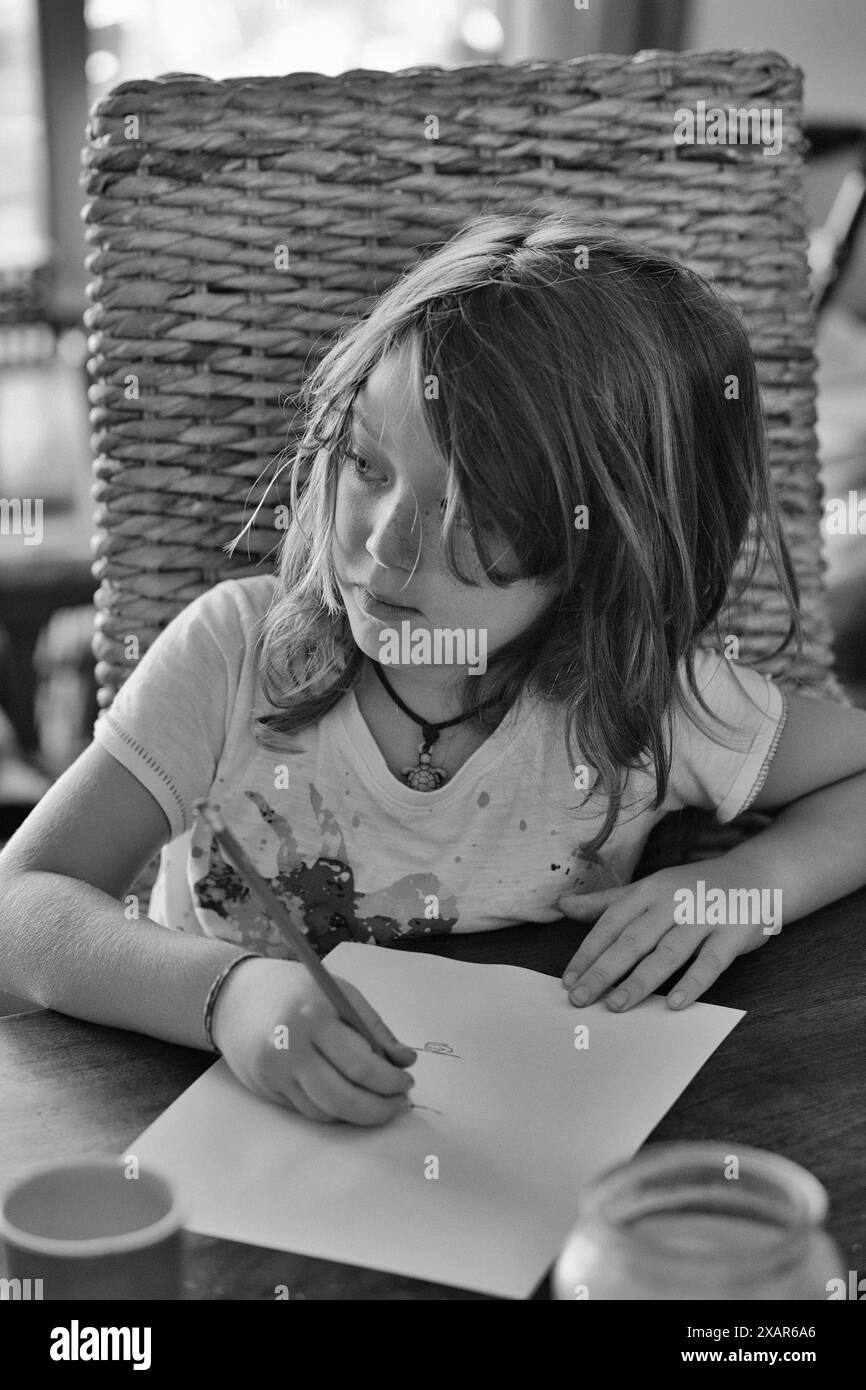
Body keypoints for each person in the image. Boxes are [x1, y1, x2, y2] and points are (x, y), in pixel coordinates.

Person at [2, 213, 866, 1127]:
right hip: (211, 1129)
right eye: (365, 464)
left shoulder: (647, 701)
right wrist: (228, 996)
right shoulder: (232, 655)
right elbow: (19, 908)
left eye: (471, 513)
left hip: (524, 1136)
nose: (383, 542)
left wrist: (747, 887)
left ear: (607, 546)